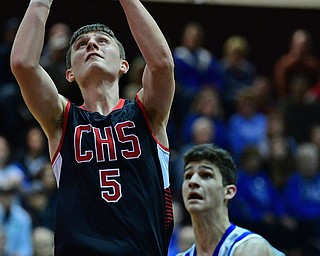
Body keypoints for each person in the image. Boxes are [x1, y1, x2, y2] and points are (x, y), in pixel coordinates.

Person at [10, 0, 175, 255]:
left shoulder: (147, 113)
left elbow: (162, 63)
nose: (91, 44)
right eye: (80, 45)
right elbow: (23, 64)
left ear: (123, 65)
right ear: (70, 74)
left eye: (103, 41)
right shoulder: (61, 119)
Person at [177, 143, 285, 256]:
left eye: (206, 175)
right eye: (188, 176)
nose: (193, 182)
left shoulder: (250, 247)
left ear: (229, 192)